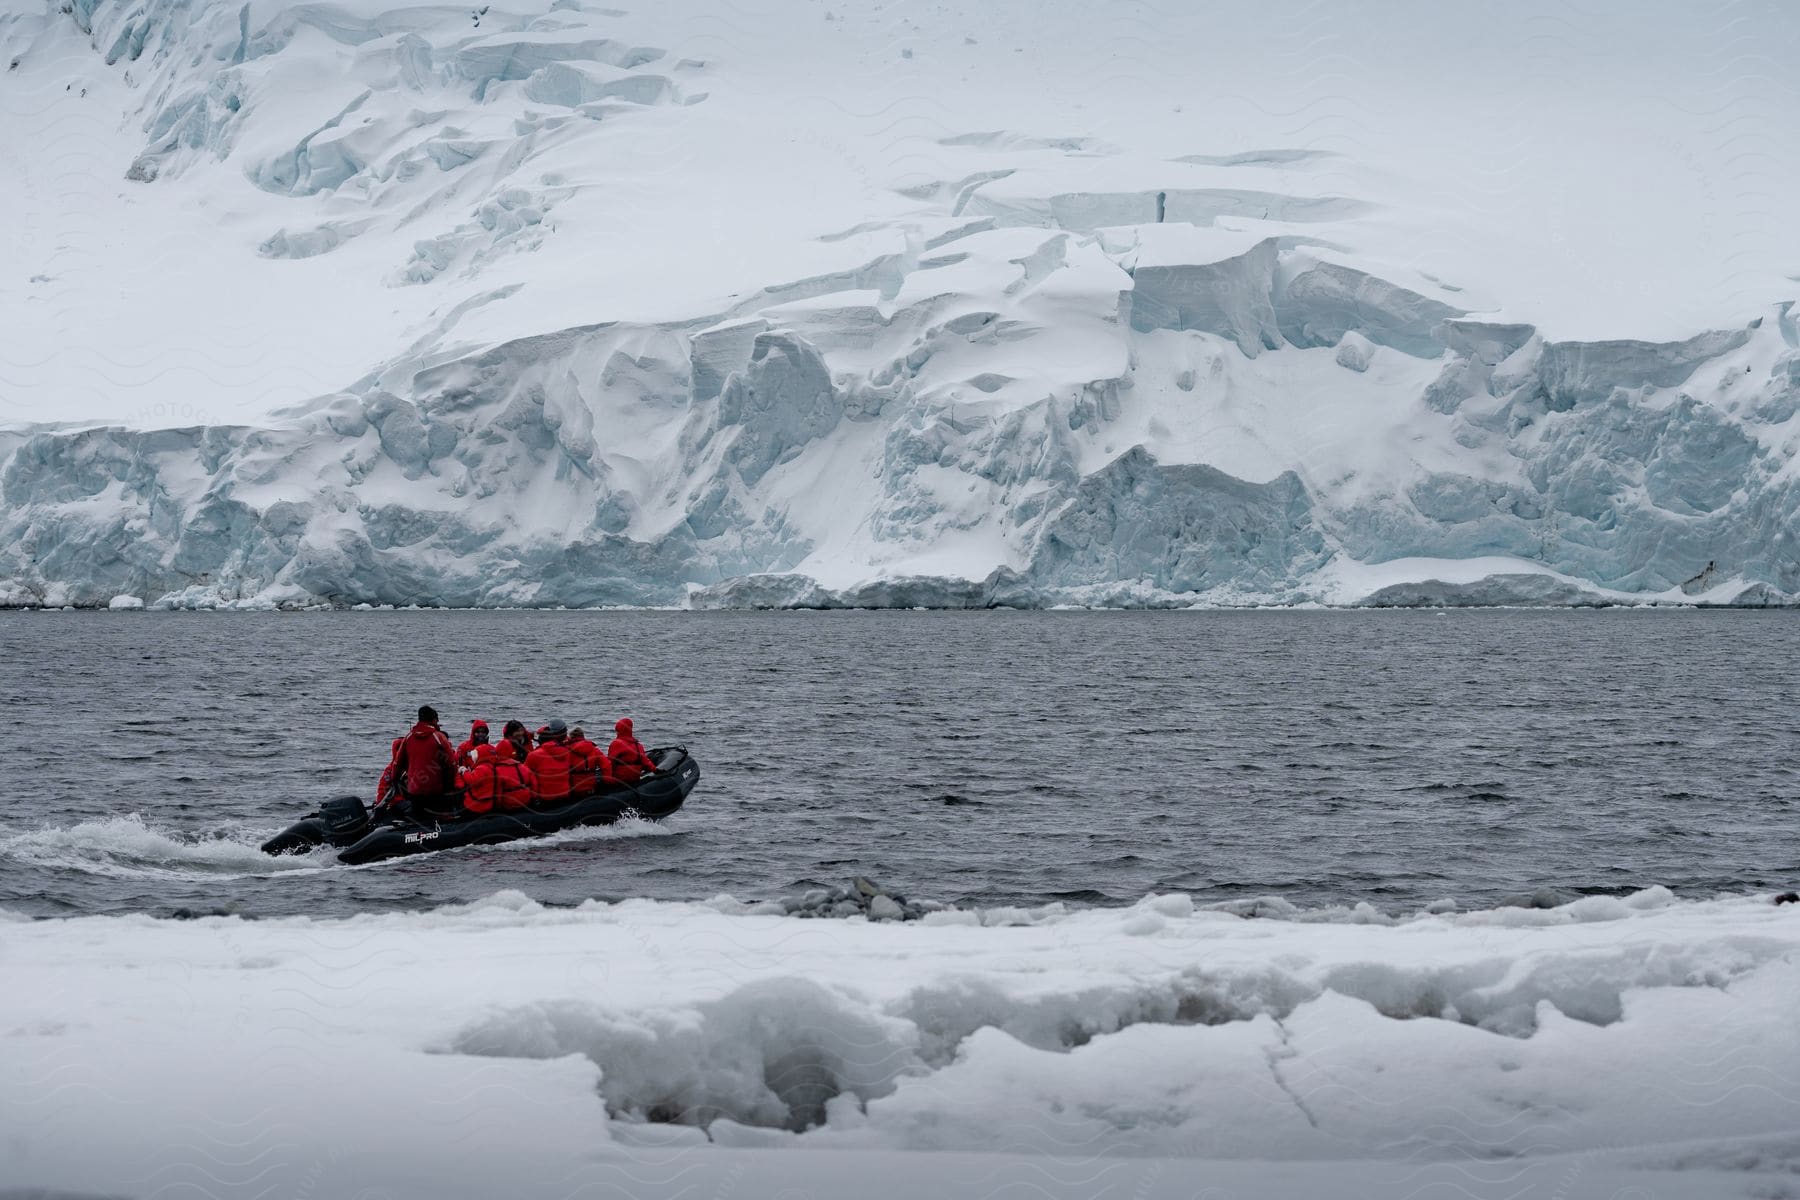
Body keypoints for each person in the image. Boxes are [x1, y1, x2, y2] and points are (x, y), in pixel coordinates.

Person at [376, 705, 458, 815]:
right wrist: (450, 786)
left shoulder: (408, 737)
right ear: (433, 720)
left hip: (414, 792)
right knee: (440, 814)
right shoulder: (439, 737)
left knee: (418, 815)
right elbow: (451, 764)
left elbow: (397, 764)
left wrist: (395, 781)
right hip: (435, 791)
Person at [460, 739, 536, 815]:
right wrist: (534, 798)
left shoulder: (496, 770)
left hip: (509, 804)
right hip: (526, 800)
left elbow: (497, 789)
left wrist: (497, 807)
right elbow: (533, 782)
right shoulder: (522, 766)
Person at [525, 718, 576, 804]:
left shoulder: (534, 755)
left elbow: (526, 775)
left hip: (544, 799)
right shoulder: (568, 751)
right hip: (564, 795)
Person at [567, 727, 616, 797]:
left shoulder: (567, 751)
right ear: (583, 737)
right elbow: (607, 765)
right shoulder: (594, 750)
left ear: (571, 738)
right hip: (591, 788)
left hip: (574, 790)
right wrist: (607, 782)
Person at [608, 717, 657, 784]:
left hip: (620, 780)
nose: (616, 733)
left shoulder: (616, 744)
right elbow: (645, 762)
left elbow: (609, 763)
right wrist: (655, 770)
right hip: (634, 779)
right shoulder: (638, 745)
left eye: (617, 731)